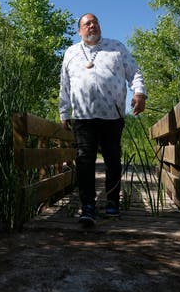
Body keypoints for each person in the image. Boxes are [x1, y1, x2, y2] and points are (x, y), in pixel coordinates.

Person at [59, 13, 146, 227]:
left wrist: (139, 93)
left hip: (112, 116)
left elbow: (135, 73)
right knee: (85, 161)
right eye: (87, 24)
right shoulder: (70, 52)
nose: (92, 25)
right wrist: (64, 112)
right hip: (83, 117)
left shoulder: (116, 47)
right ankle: (87, 206)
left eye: (95, 22)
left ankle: (112, 203)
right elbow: (65, 85)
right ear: (80, 31)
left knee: (113, 160)